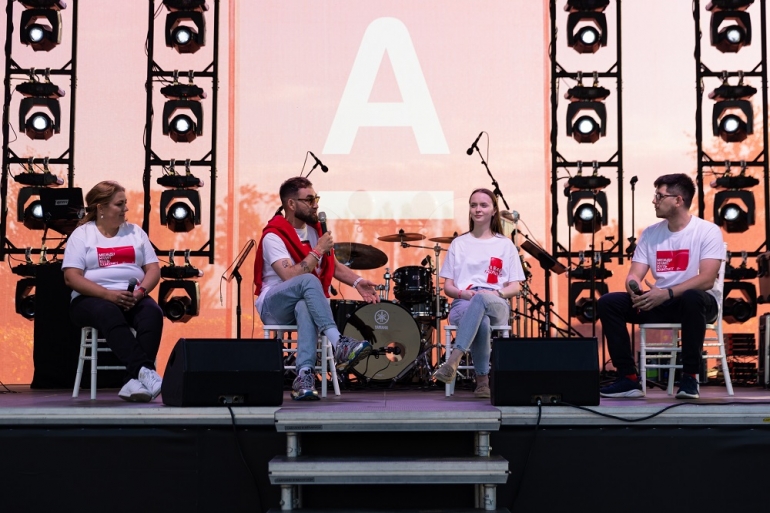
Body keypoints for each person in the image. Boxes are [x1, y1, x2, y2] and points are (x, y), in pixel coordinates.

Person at [597, 173, 724, 400]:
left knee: (693, 296)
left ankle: (690, 378)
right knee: (609, 302)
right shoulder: (651, 233)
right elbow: (634, 274)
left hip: (698, 304)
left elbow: (706, 279)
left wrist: (667, 293)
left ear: (678, 200)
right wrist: (635, 290)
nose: (654, 200)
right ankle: (628, 378)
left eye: (659, 196)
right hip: (660, 300)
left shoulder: (707, 230)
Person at [254, 176, 378, 401]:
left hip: (300, 304)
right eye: (309, 200)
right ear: (291, 204)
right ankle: (339, 343)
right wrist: (318, 250)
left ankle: (304, 376)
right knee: (309, 280)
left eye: (316, 199)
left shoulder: (315, 232)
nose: (315, 205)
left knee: (305, 305)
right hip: (274, 305)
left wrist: (358, 282)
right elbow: (289, 276)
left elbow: (333, 265)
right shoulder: (273, 235)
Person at [63, 181, 164, 402]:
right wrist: (109, 295)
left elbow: (153, 269)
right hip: (90, 299)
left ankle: (133, 381)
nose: (125, 208)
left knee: (152, 313)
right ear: (101, 207)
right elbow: (71, 277)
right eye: (119, 204)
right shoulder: (82, 235)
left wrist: (140, 292)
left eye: (125, 203)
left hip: (132, 296)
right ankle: (144, 371)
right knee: (108, 311)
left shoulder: (135, 232)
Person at [432, 188, 525, 398]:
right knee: (481, 320)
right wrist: (463, 294)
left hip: (496, 300)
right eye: (473, 205)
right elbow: (448, 287)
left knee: (482, 299)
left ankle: (453, 359)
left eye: (483, 205)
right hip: (464, 302)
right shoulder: (459, 243)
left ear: (494, 210)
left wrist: (494, 294)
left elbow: (515, 287)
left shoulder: (505, 244)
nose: (478, 209)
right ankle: (482, 383)